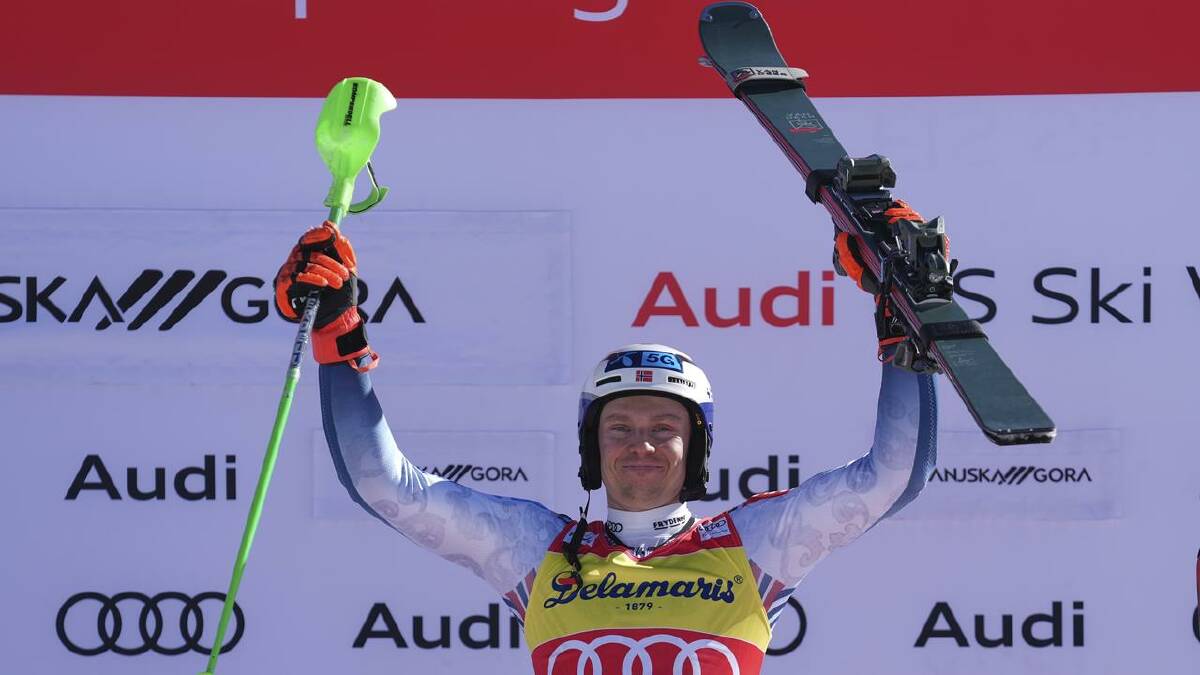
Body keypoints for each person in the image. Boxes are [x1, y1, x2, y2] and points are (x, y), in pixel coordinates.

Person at [274, 202, 937, 675]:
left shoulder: (755, 544)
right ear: (594, 445)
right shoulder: (538, 553)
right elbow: (384, 485)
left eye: (664, 428)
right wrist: (341, 338)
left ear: (697, 447)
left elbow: (890, 477)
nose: (640, 444)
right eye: (619, 427)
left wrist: (901, 322)